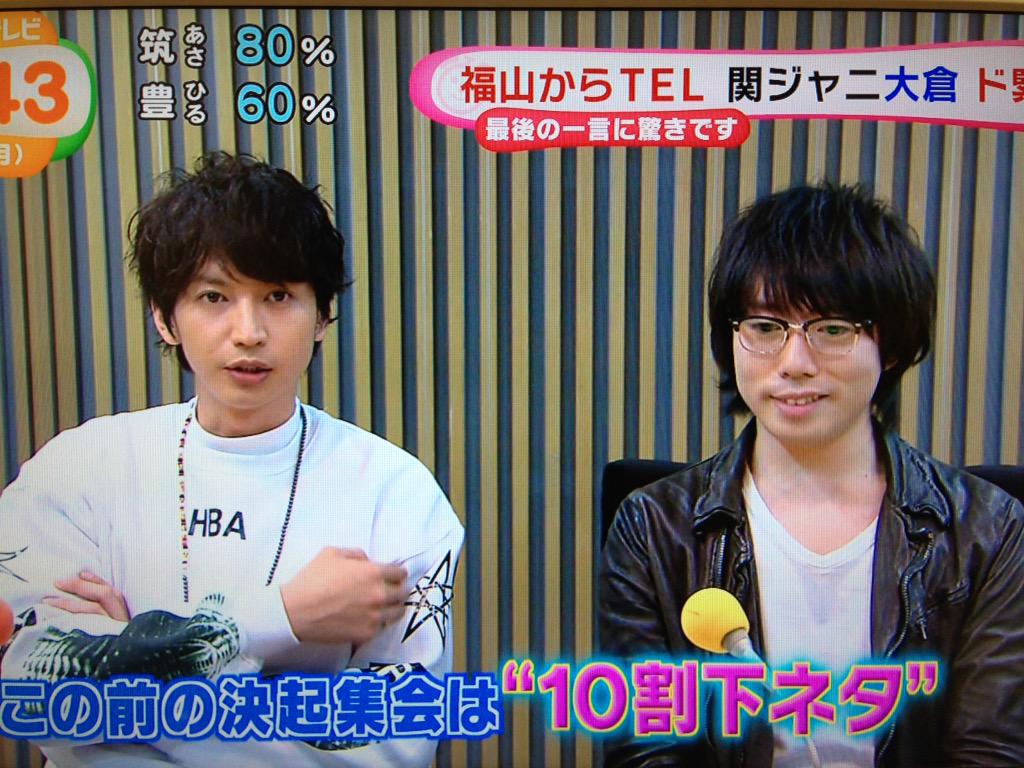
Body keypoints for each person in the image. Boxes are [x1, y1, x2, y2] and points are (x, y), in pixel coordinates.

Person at [0, 152, 464, 766]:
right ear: (165, 317)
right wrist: (280, 619)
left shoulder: (394, 491)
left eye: (278, 295)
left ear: (323, 315)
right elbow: (33, 694)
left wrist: (124, 666)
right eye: (214, 296)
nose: (248, 331)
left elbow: (389, 746)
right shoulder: (77, 469)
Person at [599, 183, 1024, 767]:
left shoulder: (989, 530)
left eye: (832, 329)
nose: (794, 363)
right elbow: (646, 748)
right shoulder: (653, 527)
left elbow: (989, 749)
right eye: (765, 327)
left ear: (890, 346)